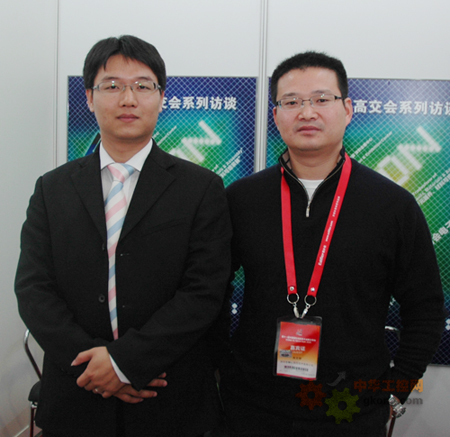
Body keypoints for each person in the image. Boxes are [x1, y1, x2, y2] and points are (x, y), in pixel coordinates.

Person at [218, 51, 445, 437]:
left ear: (348, 109)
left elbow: (425, 308)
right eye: (292, 102)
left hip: (351, 412)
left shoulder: (392, 205)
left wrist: (396, 389)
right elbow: (209, 290)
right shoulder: (241, 199)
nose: (307, 112)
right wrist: (220, 366)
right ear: (276, 115)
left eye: (322, 99)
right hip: (251, 406)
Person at [15, 35, 231, 437]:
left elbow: (204, 291)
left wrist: (124, 362)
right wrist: (93, 365)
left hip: (167, 395)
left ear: (161, 97)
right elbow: (33, 288)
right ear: (89, 97)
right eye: (112, 85)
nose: (128, 99)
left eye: (142, 86)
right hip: (77, 394)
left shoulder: (201, 188)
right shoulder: (52, 188)